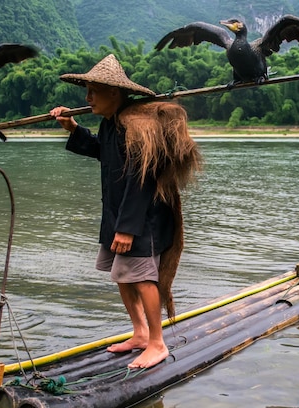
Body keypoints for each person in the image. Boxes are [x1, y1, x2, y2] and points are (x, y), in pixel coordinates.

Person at [50, 54, 201, 369]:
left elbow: (141, 180)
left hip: (141, 222)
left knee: (144, 278)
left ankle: (158, 343)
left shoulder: (136, 125)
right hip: (118, 216)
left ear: (114, 93)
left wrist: (128, 228)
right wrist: (72, 127)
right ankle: (140, 333)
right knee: (121, 275)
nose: (88, 98)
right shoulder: (111, 124)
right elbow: (101, 152)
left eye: (94, 91)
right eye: (87, 91)